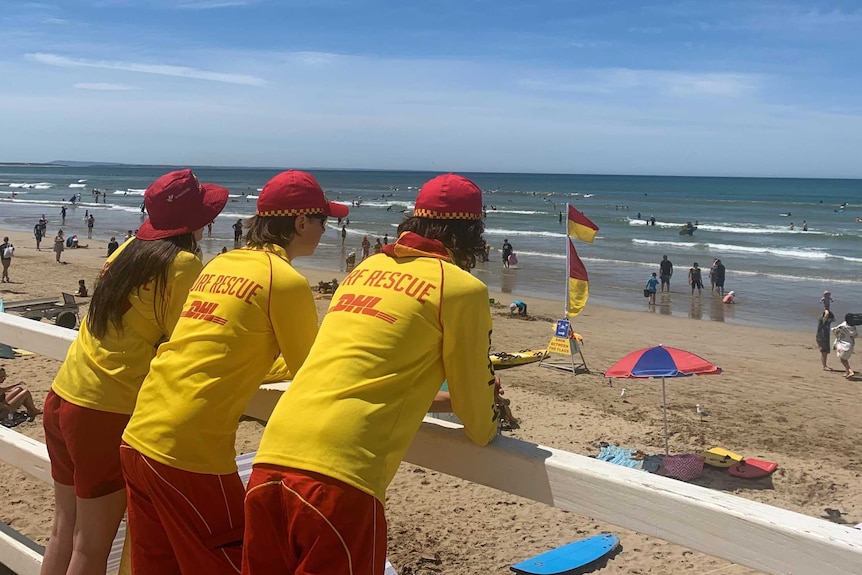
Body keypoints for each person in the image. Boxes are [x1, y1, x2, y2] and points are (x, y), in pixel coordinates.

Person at [242, 173, 502, 575]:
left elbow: (363, 375)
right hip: (339, 479)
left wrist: (442, 400)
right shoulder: (461, 289)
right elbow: (479, 421)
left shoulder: (365, 269)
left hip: (270, 459)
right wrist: (494, 412)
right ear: (472, 232)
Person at [120, 170, 347, 575]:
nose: (325, 230)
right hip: (188, 451)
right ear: (300, 223)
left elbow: (220, 345)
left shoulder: (219, 264)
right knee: (234, 563)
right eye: (323, 221)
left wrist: (254, 367)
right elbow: (311, 373)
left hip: (139, 434)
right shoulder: (286, 281)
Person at [40, 169, 229, 575]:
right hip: (104, 409)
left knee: (63, 530)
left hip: (63, 396)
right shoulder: (182, 265)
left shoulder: (125, 250)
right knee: (90, 548)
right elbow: (189, 341)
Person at [832, 314, 858, 379]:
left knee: (843, 359)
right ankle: (847, 372)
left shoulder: (843, 325)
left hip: (843, 344)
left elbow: (835, 331)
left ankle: (850, 371)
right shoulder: (853, 327)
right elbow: (855, 335)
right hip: (851, 344)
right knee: (845, 358)